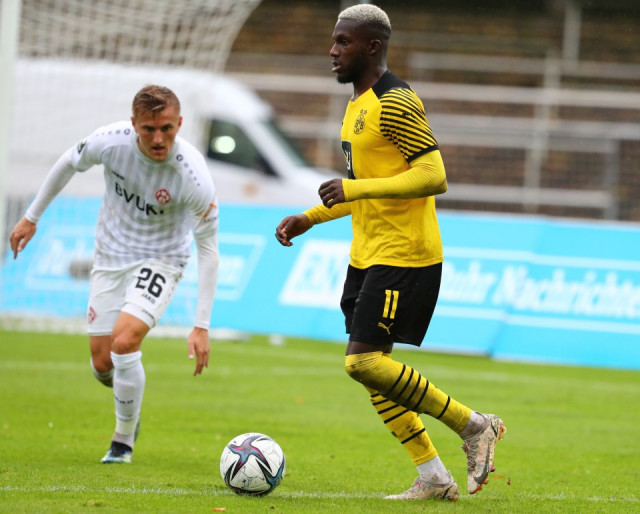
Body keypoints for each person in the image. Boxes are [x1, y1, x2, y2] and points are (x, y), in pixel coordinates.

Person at [275, 4, 505, 501]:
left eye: (344, 42)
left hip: (406, 254)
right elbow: (366, 186)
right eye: (334, 41)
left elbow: (433, 175)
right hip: (368, 253)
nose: (333, 51)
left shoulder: (395, 101)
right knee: (375, 372)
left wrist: (353, 189)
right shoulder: (356, 105)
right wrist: (310, 217)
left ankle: (474, 425)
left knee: (362, 364)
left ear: (372, 46)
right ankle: (433, 477)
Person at [9, 85, 219, 464]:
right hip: (109, 256)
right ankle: (130, 406)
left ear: (180, 123)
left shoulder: (193, 175)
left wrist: (201, 325)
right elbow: (67, 162)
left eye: (167, 129)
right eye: (149, 129)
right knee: (102, 364)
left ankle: (122, 441)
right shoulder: (110, 142)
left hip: (161, 259)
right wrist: (31, 217)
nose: (159, 139)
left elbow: (208, 248)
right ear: (134, 124)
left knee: (124, 342)